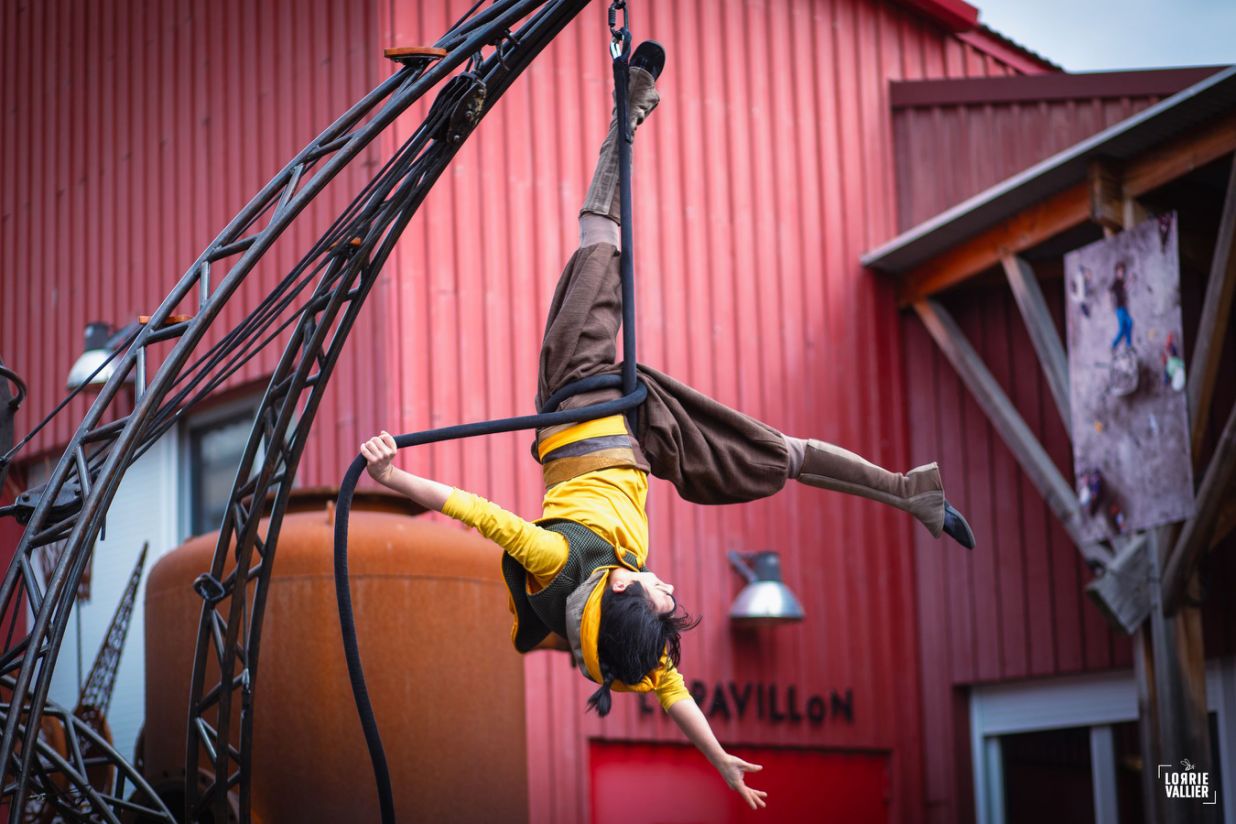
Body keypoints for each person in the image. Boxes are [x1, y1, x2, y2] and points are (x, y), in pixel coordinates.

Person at [360, 42, 974, 811]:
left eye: (655, 592)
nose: (668, 587)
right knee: (773, 456)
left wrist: (391, 474)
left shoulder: (556, 559)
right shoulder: (627, 644)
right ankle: (906, 494)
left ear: (618, 584)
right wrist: (720, 760)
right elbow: (676, 696)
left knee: (598, 236)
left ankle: (631, 105)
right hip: (647, 435)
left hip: (582, 396)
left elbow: (476, 514)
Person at [1110, 261, 1134, 351]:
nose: (1122, 273)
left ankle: (1127, 345)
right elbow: (1111, 291)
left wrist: (1130, 280)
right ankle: (1114, 345)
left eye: (1123, 271)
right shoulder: (1116, 282)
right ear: (1116, 272)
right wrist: (1111, 305)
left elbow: (1124, 287)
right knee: (1123, 328)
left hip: (1123, 307)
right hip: (1120, 308)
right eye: (1120, 271)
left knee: (1128, 324)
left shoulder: (1120, 281)